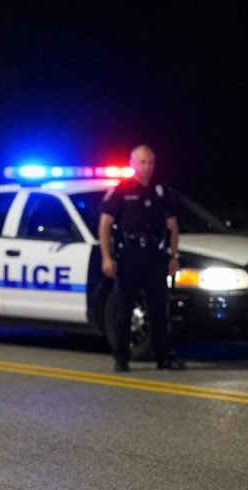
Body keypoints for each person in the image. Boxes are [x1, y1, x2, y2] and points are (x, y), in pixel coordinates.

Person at [98, 145, 185, 372]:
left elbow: (173, 226)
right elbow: (105, 225)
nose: (147, 167)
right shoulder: (121, 191)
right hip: (130, 255)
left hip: (156, 255)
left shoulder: (161, 191)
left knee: (159, 308)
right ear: (133, 164)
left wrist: (174, 256)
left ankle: (164, 356)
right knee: (125, 307)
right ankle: (121, 358)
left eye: (151, 162)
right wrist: (107, 257)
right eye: (142, 162)